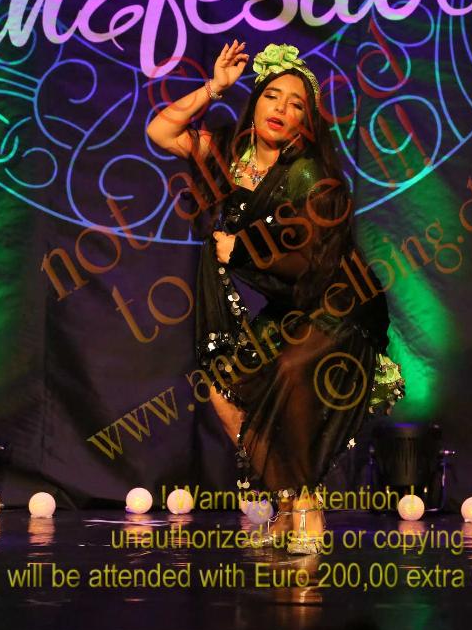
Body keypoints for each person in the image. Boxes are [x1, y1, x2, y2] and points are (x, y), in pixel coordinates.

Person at [146, 40, 405, 554]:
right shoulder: (230, 155)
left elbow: (313, 259)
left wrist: (242, 249)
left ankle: (305, 504)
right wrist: (214, 87)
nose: (281, 109)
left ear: (306, 122)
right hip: (292, 307)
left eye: (296, 105)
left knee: (290, 371)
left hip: (339, 303)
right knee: (223, 385)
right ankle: (288, 497)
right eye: (272, 96)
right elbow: (161, 131)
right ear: (256, 100)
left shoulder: (307, 173)